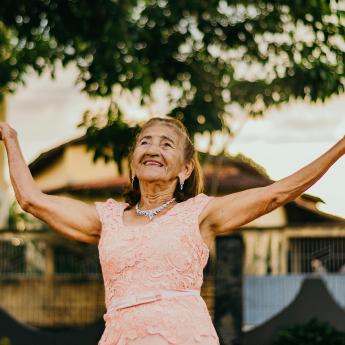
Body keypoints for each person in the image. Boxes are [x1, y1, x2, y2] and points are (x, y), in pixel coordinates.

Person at [0, 117, 344, 345]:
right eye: (145, 142)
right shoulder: (106, 218)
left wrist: (340, 147)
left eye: (167, 145)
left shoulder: (199, 213)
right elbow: (31, 200)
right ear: (134, 162)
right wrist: (10, 137)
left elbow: (277, 193)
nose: (153, 149)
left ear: (185, 168)